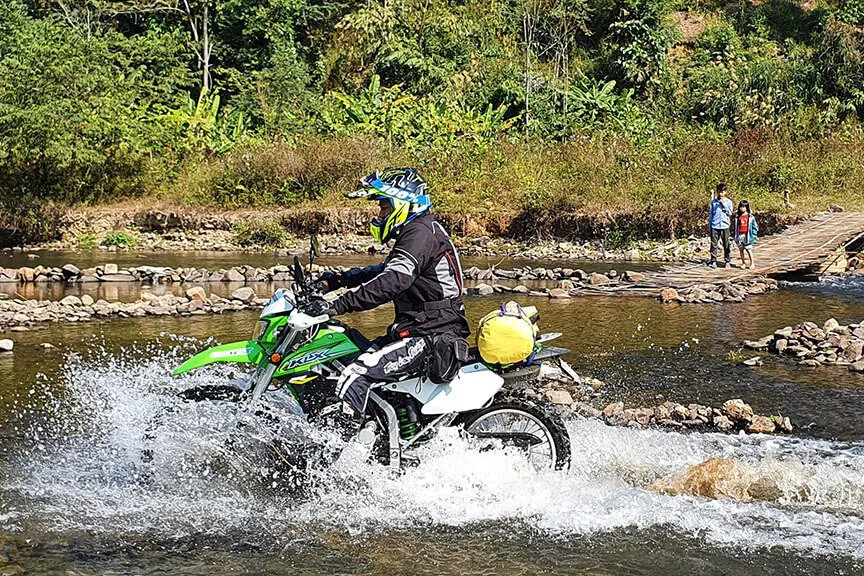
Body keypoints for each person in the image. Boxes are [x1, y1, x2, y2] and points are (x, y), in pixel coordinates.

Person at [308, 168, 470, 414]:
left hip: (430, 334)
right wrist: (336, 281)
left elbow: (393, 281)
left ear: (403, 204)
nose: (380, 214)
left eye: (385, 208)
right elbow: (385, 270)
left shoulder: (420, 234)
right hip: (418, 327)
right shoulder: (419, 230)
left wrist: (336, 305)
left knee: (357, 375)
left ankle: (347, 450)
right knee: (347, 353)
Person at [708, 183, 734, 268]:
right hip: (715, 225)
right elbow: (711, 214)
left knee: (726, 244)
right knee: (713, 244)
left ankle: (727, 261)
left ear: (725, 192)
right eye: (719, 192)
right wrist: (710, 225)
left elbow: (730, 213)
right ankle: (713, 261)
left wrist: (724, 204)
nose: (720, 194)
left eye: (722, 192)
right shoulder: (713, 202)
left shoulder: (729, 202)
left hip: (725, 225)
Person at [734, 200, 758, 269]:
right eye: (741, 207)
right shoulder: (738, 217)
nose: (742, 208)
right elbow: (736, 227)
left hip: (747, 235)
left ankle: (752, 263)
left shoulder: (750, 217)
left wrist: (753, 234)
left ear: (747, 207)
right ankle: (743, 263)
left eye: (744, 207)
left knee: (749, 249)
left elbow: (755, 227)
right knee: (741, 250)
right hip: (740, 235)